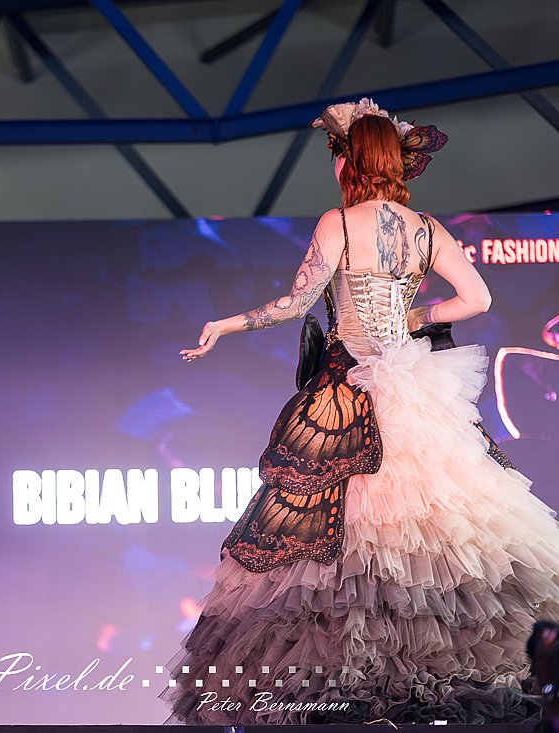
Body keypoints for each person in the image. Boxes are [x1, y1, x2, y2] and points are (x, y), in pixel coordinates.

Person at [165, 98, 559, 724]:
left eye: (338, 154)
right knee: (433, 532)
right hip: (414, 386)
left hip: (349, 389)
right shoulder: (426, 228)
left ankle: (356, 691)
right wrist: (414, 317)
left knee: (339, 539)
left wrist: (226, 324)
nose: (335, 165)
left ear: (354, 160)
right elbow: (477, 299)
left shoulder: (340, 223)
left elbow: (297, 304)